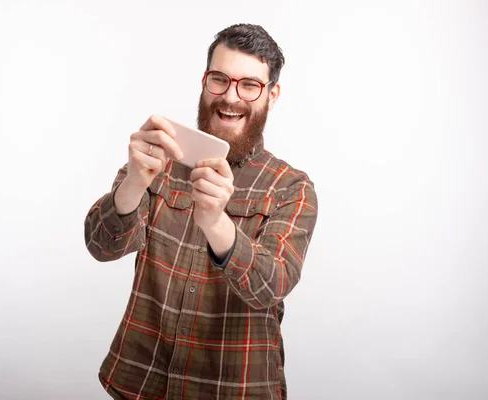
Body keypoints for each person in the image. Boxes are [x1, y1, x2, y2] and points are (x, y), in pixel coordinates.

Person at [84, 23, 318, 400]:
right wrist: (132, 184)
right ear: (205, 80)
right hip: (141, 383)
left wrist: (214, 221)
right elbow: (100, 246)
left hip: (234, 390)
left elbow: (272, 285)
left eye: (249, 85)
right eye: (220, 79)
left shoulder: (290, 186)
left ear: (271, 95)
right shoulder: (158, 158)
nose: (231, 97)